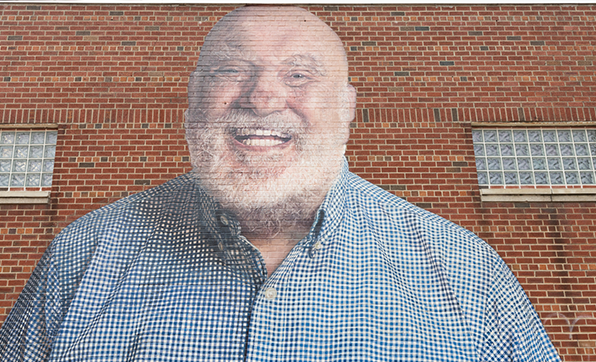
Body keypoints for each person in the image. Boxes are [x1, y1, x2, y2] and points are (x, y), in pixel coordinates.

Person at [0, 6, 560, 361]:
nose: (262, 97)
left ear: (347, 108)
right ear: (193, 102)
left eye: (298, 75)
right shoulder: (83, 255)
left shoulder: (463, 271)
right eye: (230, 70)